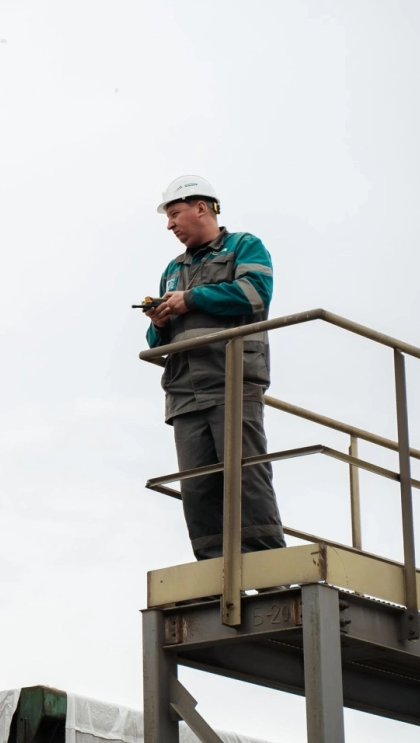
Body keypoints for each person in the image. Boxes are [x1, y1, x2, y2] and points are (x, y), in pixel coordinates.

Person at [144, 175, 286, 561]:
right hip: (184, 390)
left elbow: (255, 294)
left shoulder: (244, 246)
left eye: (174, 213)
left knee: (245, 476)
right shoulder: (173, 269)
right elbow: (156, 343)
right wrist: (158, 322)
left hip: (231, 380)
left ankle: (269, 570)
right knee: (197, 487)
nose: (170, 224)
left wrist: (191, 299)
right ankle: (211, 571)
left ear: (201, 208)